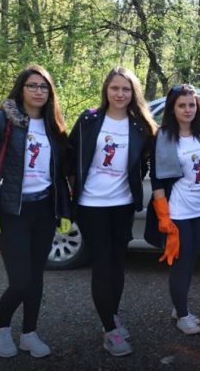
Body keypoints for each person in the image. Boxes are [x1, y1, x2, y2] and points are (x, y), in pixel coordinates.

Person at [0, 65, 71, 358]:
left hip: (44, 209)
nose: (39, 91)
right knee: (20, 281)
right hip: (11, 211)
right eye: (33, 85)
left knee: (36, 277)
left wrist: (64, 210)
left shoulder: (54, 126)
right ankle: (1, 327)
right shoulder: (1, 120)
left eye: (44, 87)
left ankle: (29, 333)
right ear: (21, 88)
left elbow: (59, 174)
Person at [67, 66, 156, 356]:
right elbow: (70, 157)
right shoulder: (89, 120)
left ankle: (112, 316)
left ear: (133, 93)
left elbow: (144, 161)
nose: (120, 94)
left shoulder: (140, 126)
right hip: (91, 206)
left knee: (117, 264)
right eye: (115, 88)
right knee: (103, 265)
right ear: (106, 90)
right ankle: (109, 330)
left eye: (126, 89)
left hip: (122, 205)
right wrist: (72, 191)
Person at [145, 84, 200, 335]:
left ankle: (179, 305)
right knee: (181, 263)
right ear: (172, 109)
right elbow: (157, 179)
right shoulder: (163, 137)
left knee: (192, 259)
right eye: (181, 105)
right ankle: (182, 315)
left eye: (191, 105)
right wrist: (163, 214)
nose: (187, 110)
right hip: (178, 211)